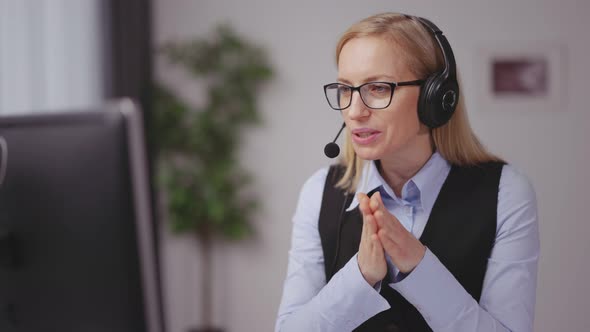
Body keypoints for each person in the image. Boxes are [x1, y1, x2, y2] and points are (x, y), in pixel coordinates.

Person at [275, 12, 539, 332]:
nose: (355, 111)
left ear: (436, 98)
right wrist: (359, 277)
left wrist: (420, 268)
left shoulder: (506, 191)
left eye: (377, 88)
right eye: (346, 89)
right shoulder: (319, 192)